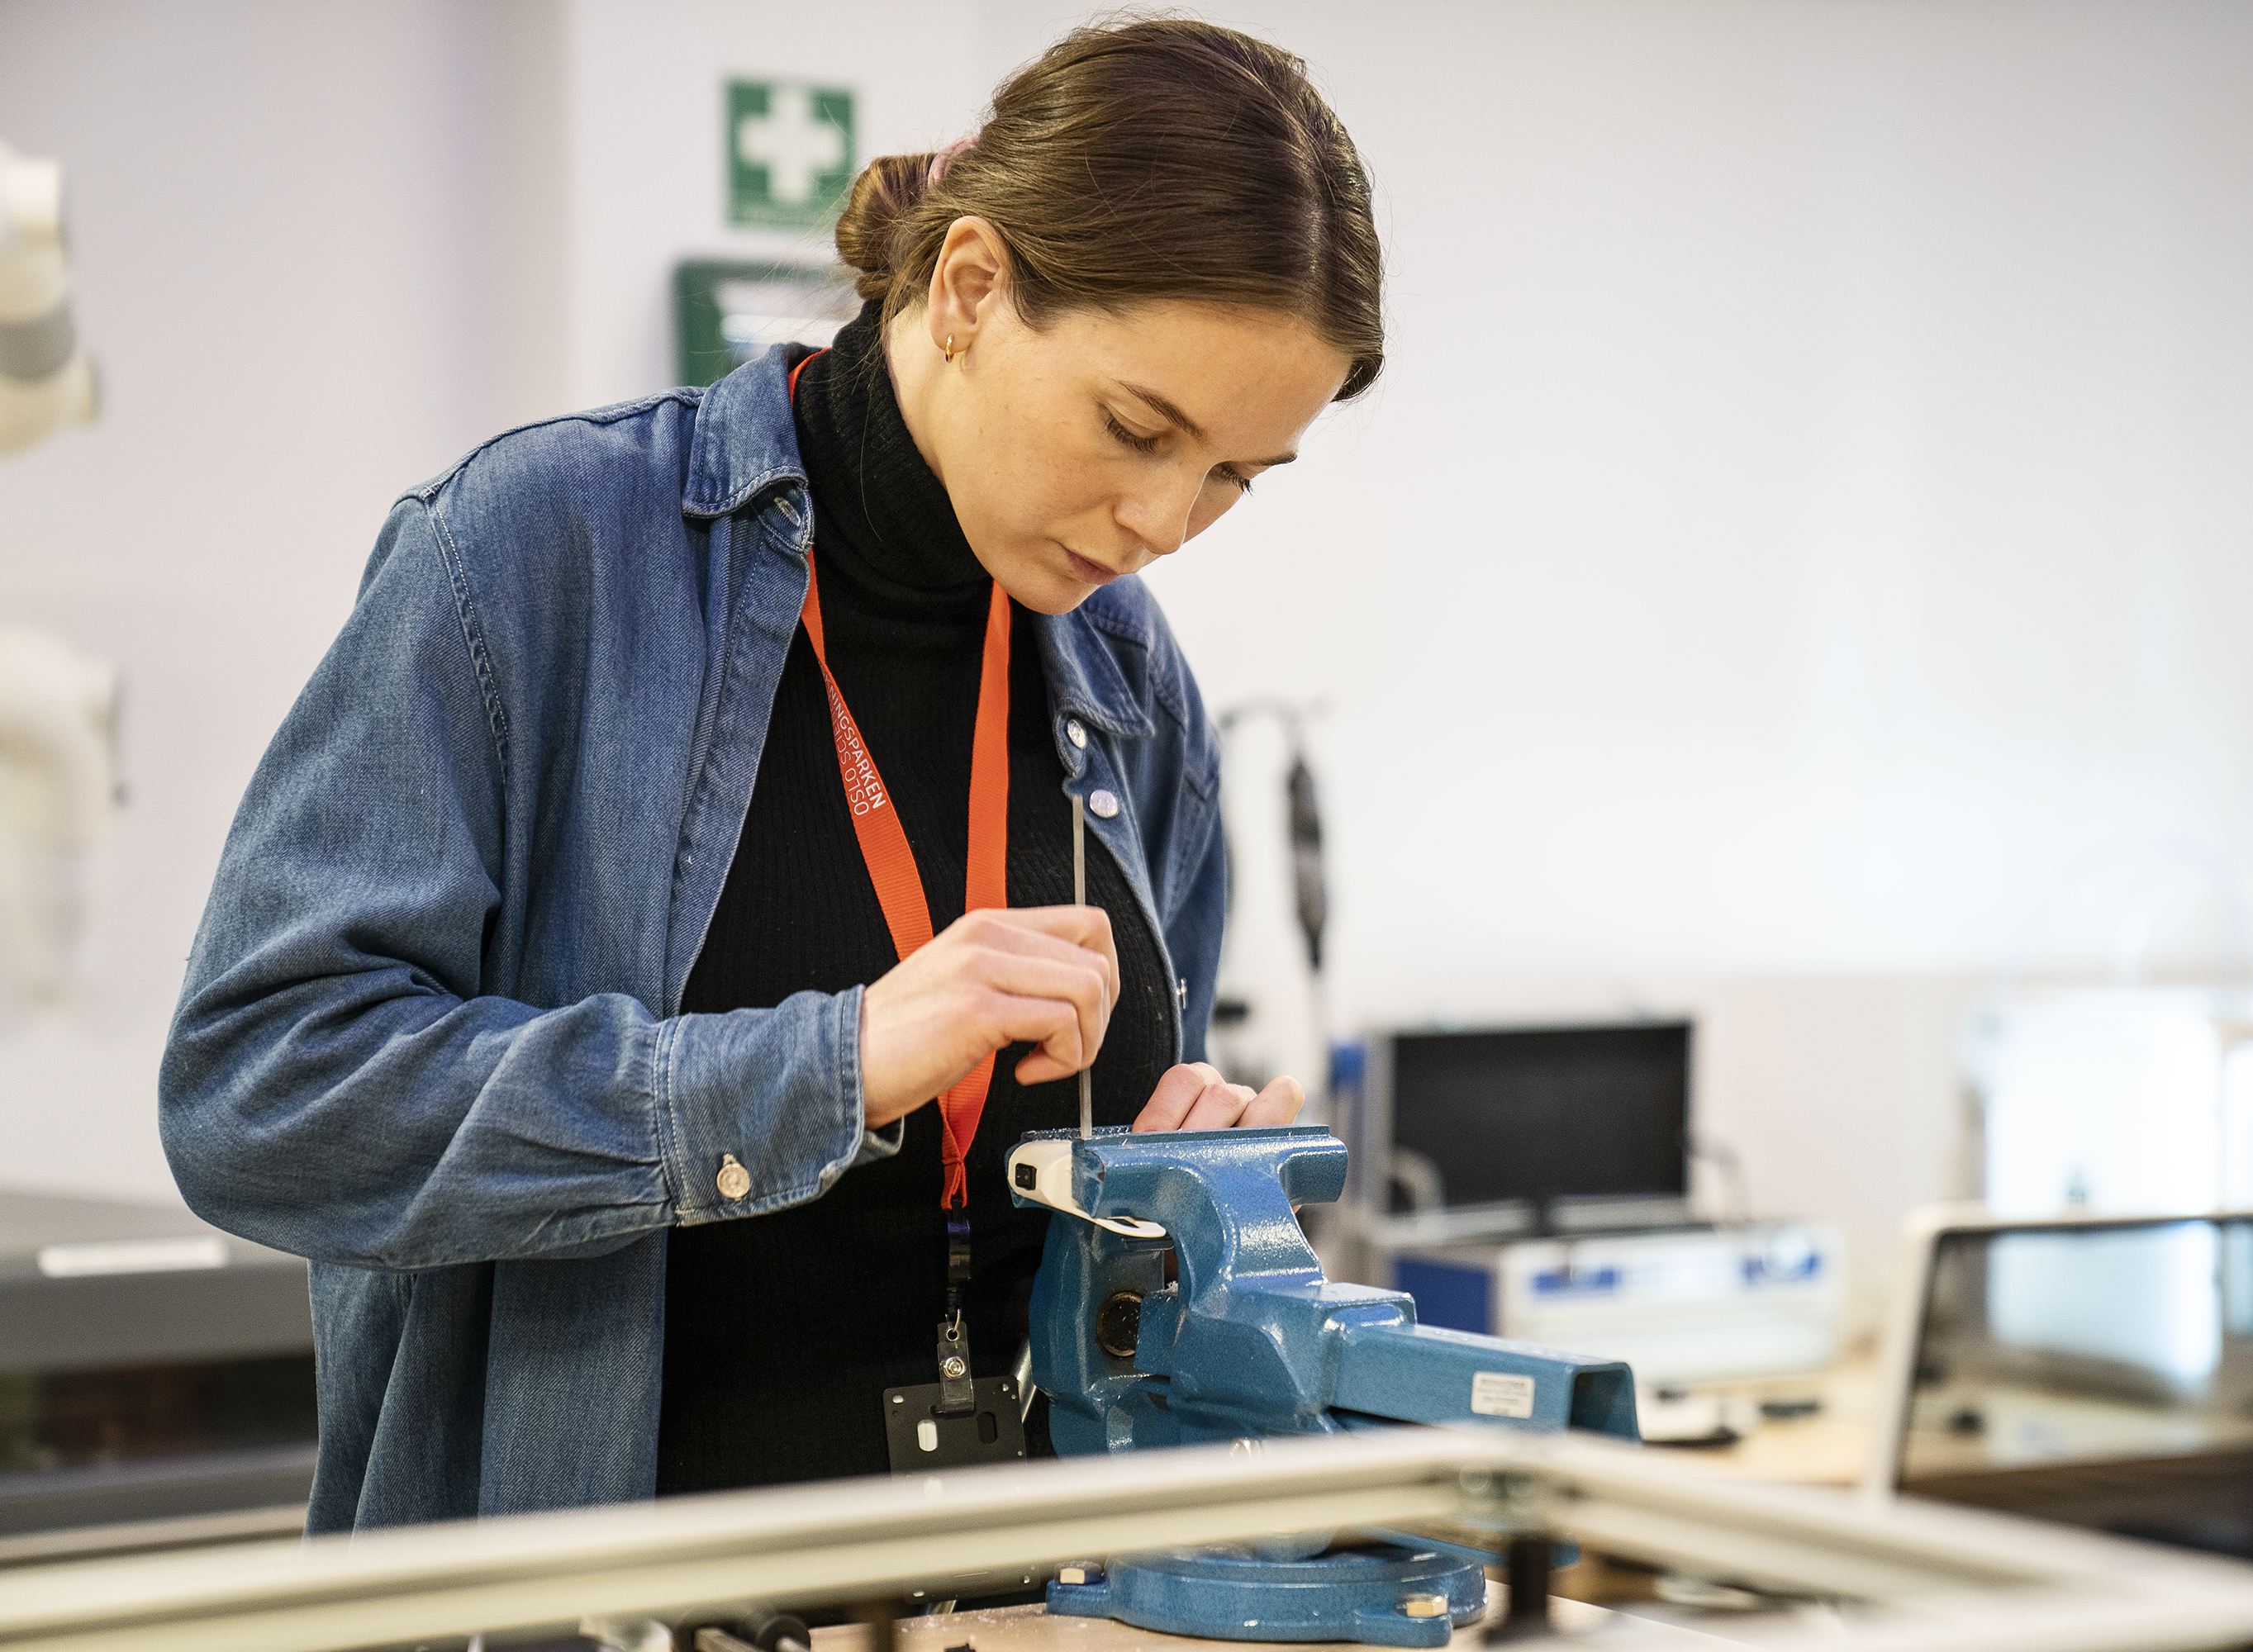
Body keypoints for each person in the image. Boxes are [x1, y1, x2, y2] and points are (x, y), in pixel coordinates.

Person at [157, 17, 1382, 1533]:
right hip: (615, 1607)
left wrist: (1171, 1212)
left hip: (1019, 1605)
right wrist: (830, 1066)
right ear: (970, 289)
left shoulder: (1130, 678)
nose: (1163, 524)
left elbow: (1077, 1306)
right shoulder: (534, 555)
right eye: (1137, 428)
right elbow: (258, 1098)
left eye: (1234, 476)